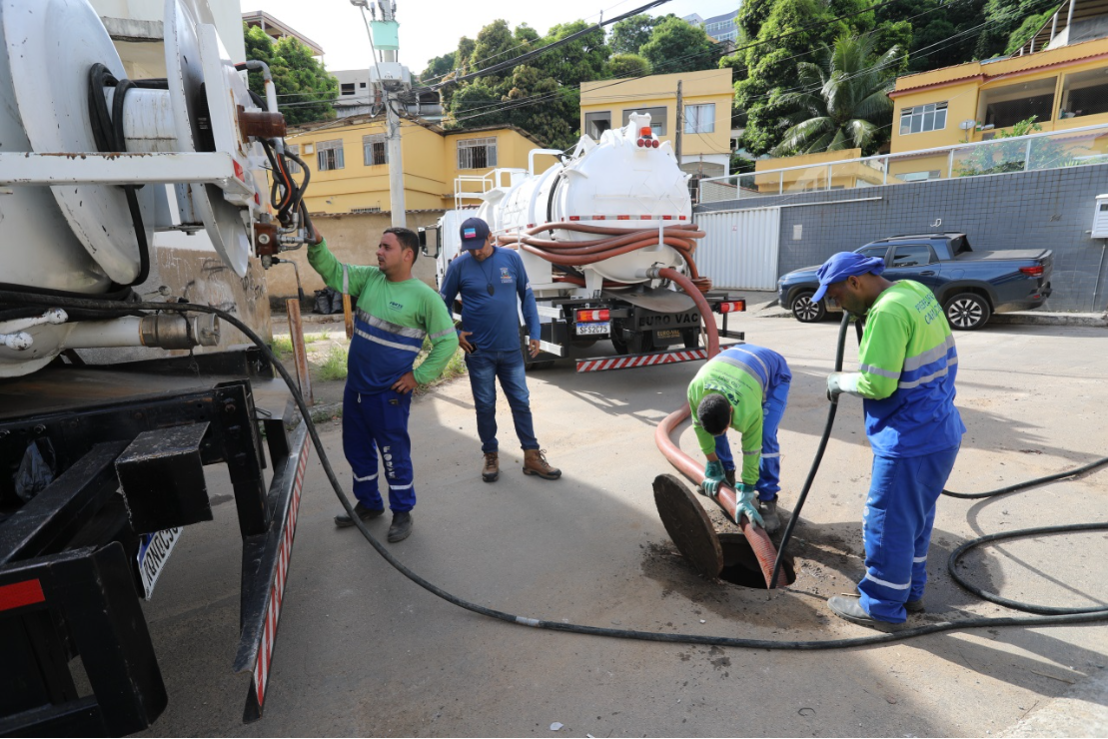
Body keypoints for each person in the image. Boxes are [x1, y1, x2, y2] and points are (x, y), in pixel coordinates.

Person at [815, 251, 965, 630]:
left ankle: (881, 605)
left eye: (834, 296)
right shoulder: (913, 291)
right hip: (940, 430)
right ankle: (910, 592)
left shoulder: (885, 313)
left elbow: (877, 384)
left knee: (886, 523)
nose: (836, 306)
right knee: (915, 519)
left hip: (909, 439)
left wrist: (840, 381)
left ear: (855, 282)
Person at [306, 225, 459, 543]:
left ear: (407, 254)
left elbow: (447, 342)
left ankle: (402, 511)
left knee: (393, 455)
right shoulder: (370, 279)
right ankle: (370, 504)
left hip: (387, 396)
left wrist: (418, 376)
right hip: (356, 390)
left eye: (386, 247)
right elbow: (334, 272)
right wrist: (318, 243)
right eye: (379, 245)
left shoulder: (425, 298)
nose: (378, 251)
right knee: (356, 450)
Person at [439, 217, 560, 483]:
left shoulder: (512, 259)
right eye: (469, 246)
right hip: (478, 351)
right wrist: (455, 333)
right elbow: (441, 304)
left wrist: (534, 332)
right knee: (485, 406)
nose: (475, 251)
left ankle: (531, 456)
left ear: (491, 237)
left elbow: (526, 296)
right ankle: (491, 455)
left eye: (479, 245)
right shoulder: (459, 266)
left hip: (510, 349)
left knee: (521, 403)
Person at [688, 344, 792, 535]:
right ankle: (725, 472)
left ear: (731, 411)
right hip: (734, 363)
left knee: (765, 437)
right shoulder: (695, 389)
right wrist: (713, 463)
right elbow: (699, 427)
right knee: (714, 428)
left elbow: (752, 450)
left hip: (775, 374)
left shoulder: (749, 410)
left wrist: (746, 489)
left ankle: (768, 499)